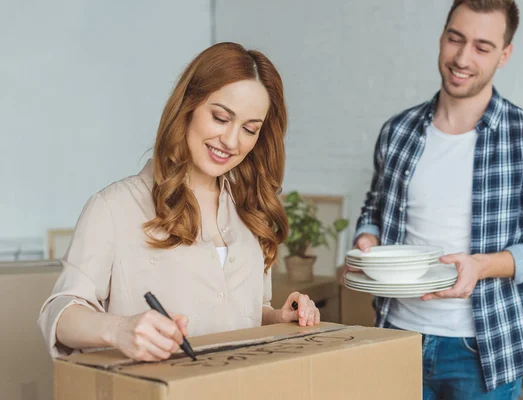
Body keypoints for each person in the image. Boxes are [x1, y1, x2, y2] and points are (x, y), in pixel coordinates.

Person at [351, 1, 523, 398]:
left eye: (481, 46)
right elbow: (375, 206)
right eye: (455, 39)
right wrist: (367, 241)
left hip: (483, 349)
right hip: (397, 337)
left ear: (504, 54)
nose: (462, 57)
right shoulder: (398, 131)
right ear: (442, 36)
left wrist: (483, 266)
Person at [39, 42, 320, 362]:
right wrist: (118, 330)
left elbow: (247, 311)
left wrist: (277, 317)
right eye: (220, 118)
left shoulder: (251, 212)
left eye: (249, 129)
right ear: (188, 105)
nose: (231, 141)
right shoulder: (114, 208)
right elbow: (59, 315)